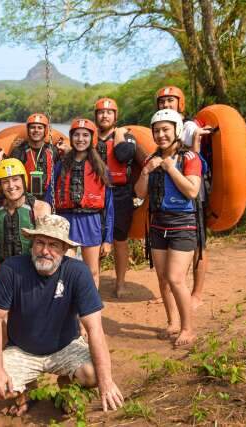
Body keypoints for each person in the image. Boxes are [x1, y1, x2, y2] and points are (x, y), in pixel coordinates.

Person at [0, 214, 123, 416]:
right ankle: (27, 390)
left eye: (54, 245)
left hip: (65, 347)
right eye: (40, 242)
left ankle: (66, 384)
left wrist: (107, 382)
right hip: (22, 349)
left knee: (93, 376)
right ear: (32, 243)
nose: (45, 251)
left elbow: (94, 329)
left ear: (65, 249)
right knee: (0, 388)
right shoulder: (12, 269)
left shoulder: (78, 272)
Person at [134, 109, 202, 346]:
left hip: (182, 224)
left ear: (177, 130)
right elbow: (139, 194)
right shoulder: (150, 160)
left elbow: (192, 191)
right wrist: (145, 171)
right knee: (163, 279)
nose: (161, 134)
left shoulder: (189, 158)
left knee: (175, 278)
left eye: (165, 129)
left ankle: (188, 328)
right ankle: (172, 322)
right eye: (157, 130)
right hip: (158, 224)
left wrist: (170, 167)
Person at [156, 86, 212, 310]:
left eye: (171, 100)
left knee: (198, 241)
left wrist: (195, 143)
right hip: (170, 190)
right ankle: (172, 292)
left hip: (191, 182)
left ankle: (197, 293)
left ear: (180, 102)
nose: (166, 104)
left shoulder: (189, 126)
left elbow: (193, 156)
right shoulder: (160, 125)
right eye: (162, 101)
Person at [50, 118, 114, 288]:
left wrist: (107, 239)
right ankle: (66, 306)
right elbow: (50, 196)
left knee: (92, 271)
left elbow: (109, 207)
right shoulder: (60, 165)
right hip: (66, 221)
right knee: (64, 267)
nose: (80, 139)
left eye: (85, 135)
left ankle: (91, 308)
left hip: (91, 222)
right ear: (71, 138)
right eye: (76, 135)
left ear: (92, 138)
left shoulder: (101, 168)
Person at [0, 158, 51, 285]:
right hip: (1, 269)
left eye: (16, 179)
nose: (11, 186)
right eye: (5, 182)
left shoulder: (41, 208)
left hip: (32, 269)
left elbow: (45, 251)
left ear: (24, 180)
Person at [94, 98, 137, 297]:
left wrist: (118, 134)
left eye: (109, 112)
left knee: (120, 239)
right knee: (94, 240)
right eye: (101, 112)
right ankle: (93, 283)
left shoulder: (126, 136)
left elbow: (123, 155)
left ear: (115, 116)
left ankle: (120, 283)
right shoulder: (90, 138)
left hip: (120, 193)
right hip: (95, 194)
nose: (104, 115)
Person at [0, 113, 61, 200]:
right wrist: (0, 160)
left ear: (45, 130)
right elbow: (10, 174)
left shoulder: (53, 151)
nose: (36, 130)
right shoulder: (19, 151)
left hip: (48, 197)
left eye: (40, 128)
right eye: (32, 127)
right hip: (26, 198)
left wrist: (67, 151)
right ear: (28, 130)